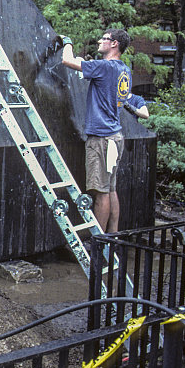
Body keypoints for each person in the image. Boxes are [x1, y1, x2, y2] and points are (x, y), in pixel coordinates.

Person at [60, 29, 132, 234]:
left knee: (101, 193)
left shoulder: (104, 67)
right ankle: (113, 235)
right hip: (115, 136)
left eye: (105, 39)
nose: (100, 41)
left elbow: (67, 61)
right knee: (110, 188)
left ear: (114, 44)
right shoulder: (123, 70)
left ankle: (98, 242)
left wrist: (67, 41)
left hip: (101, 139)